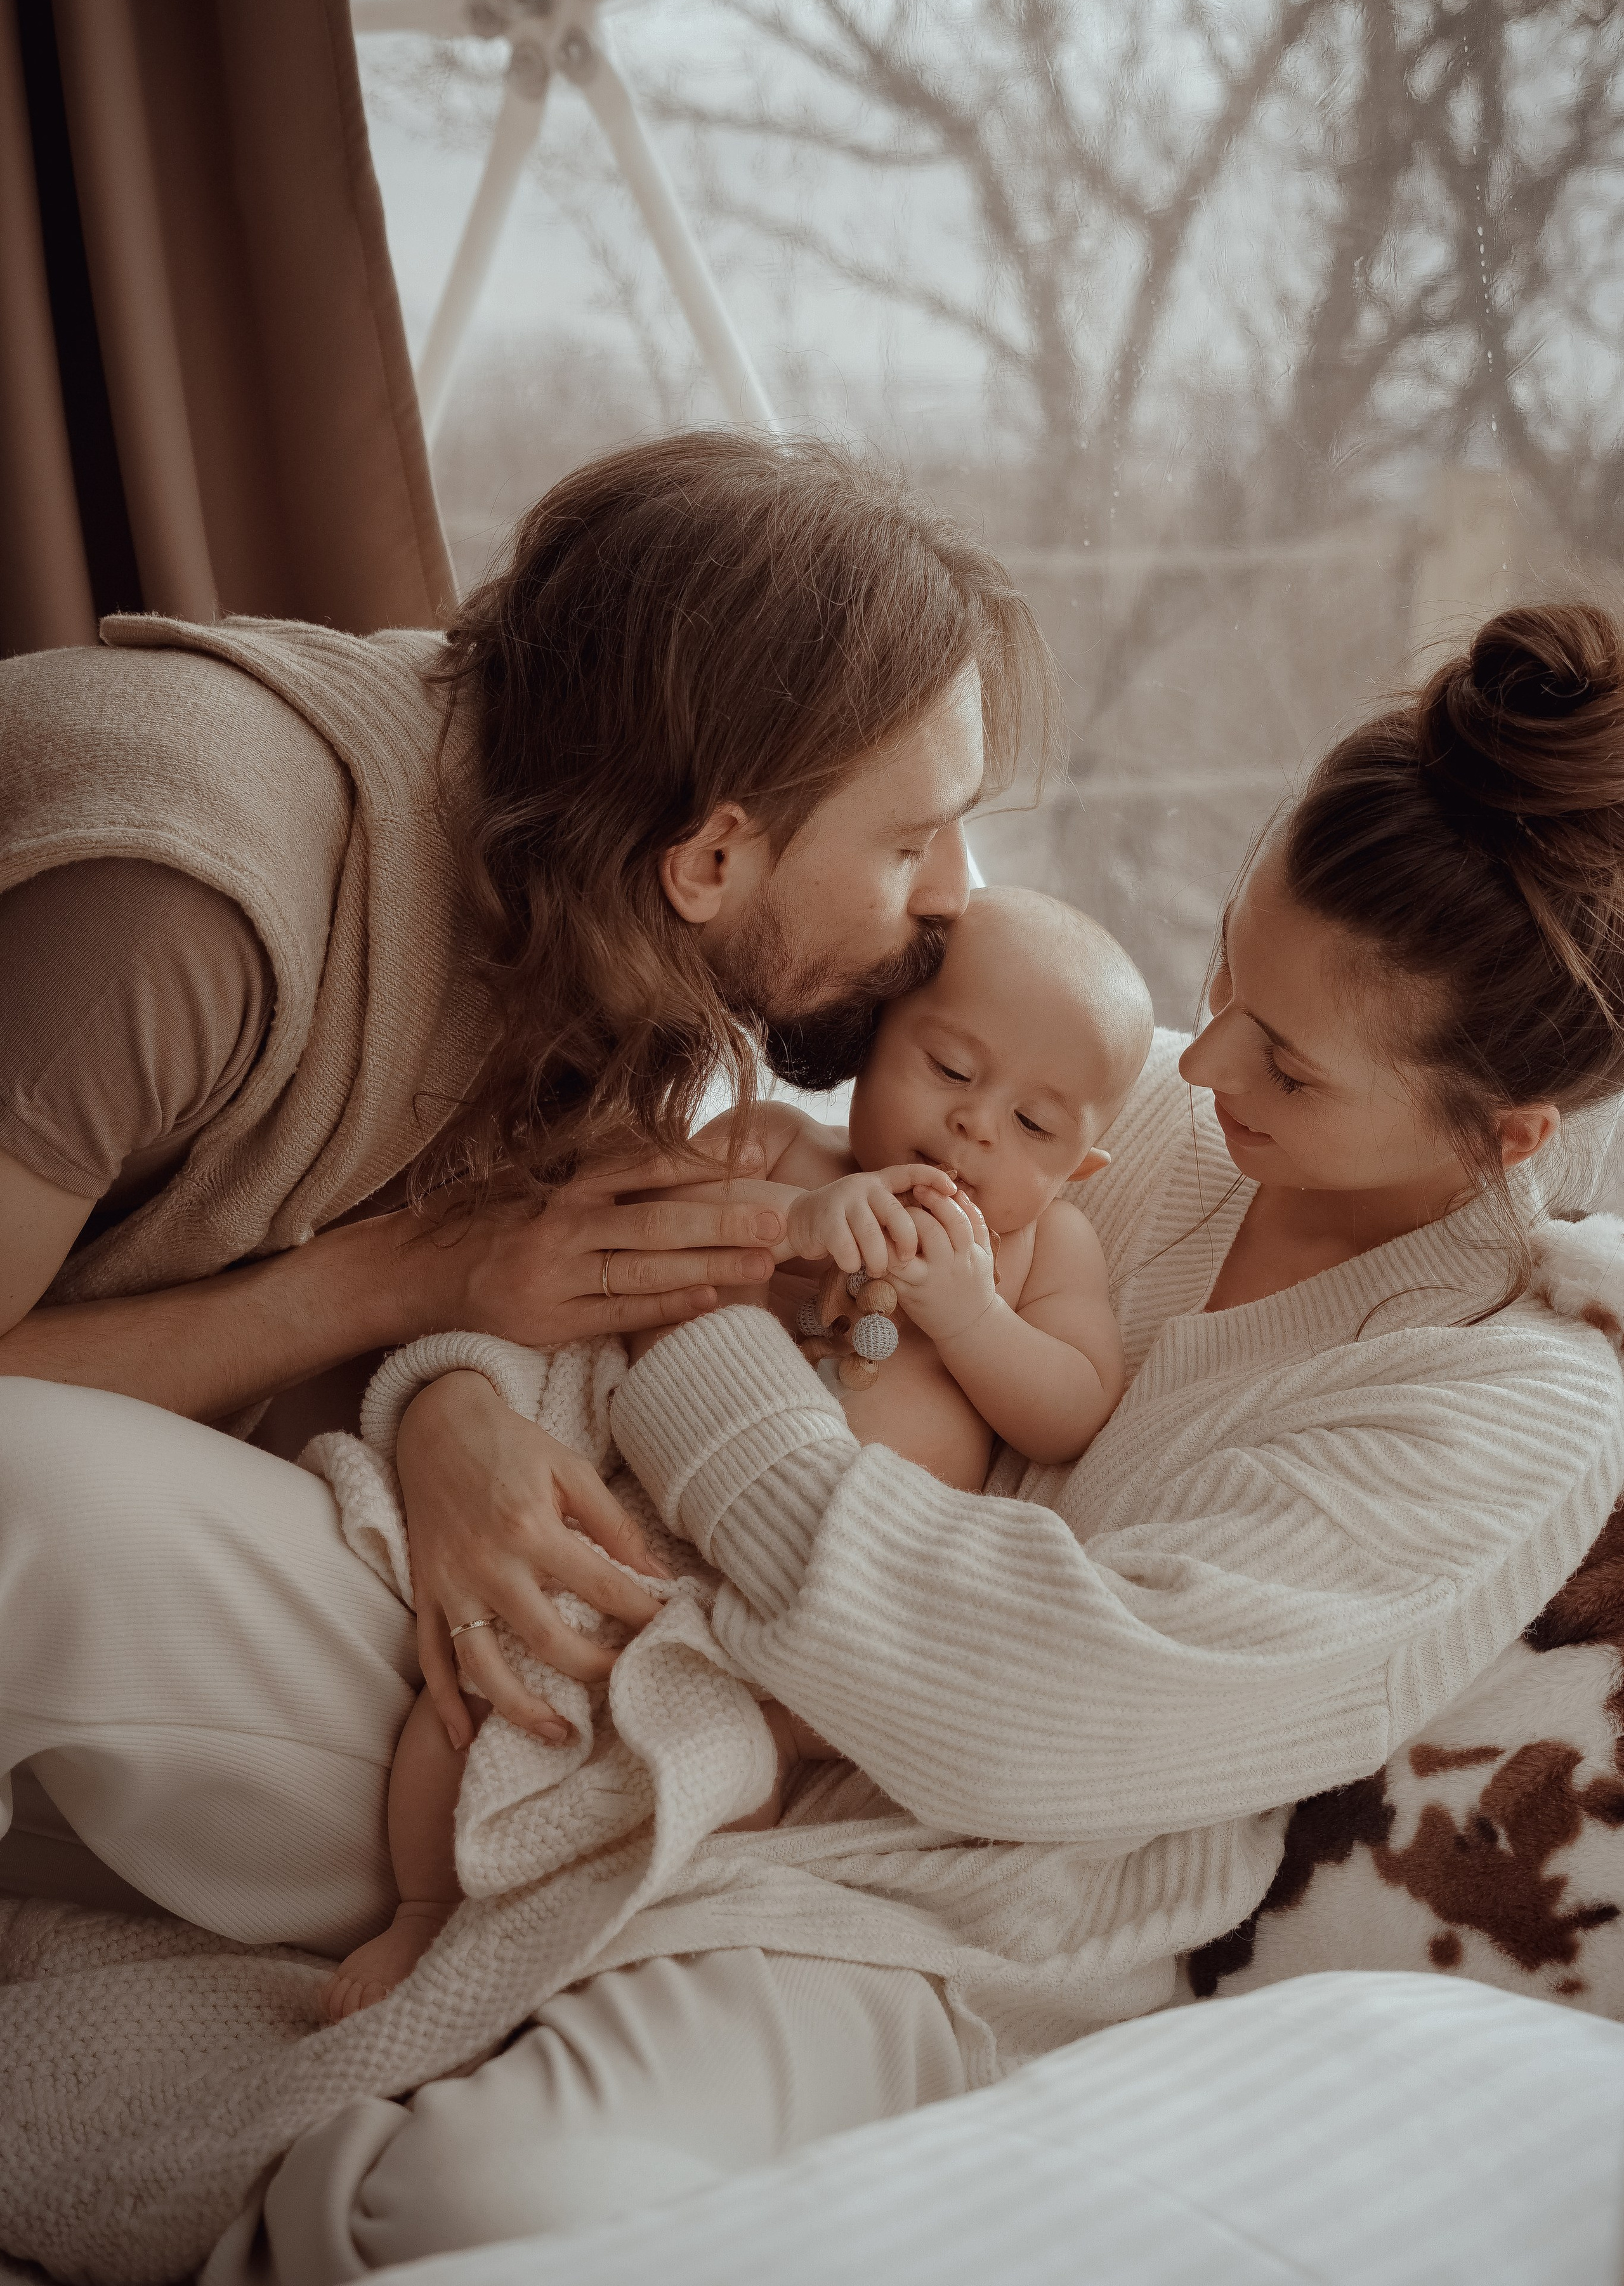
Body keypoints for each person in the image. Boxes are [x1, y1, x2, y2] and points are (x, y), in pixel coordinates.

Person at [201, 600, 1624, 2282]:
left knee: (434, 2215)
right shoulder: (1137, 1106)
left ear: (1509, 1134)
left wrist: (695, 1332)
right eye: (1231, 967)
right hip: (614, 1655)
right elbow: (674, 1200)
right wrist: (453, 1411)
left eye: (1290, 1066)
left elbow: (1030, 1717)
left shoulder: (1505, 1406)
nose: (1208, 1056)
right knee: (44, 1515)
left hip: (937, 1927)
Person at [0, 429, 1054, 1948]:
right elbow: (400, 1256)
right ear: (711, 858)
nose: (955, 891)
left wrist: (447, 1402)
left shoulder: (575, 859)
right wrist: (391, 1291)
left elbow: (477, 1240)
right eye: (908, 839)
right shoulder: (184, 921)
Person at [318, 886, 1153, 2023]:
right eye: (951, 1070)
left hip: (800, 1606)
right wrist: (797, 1220)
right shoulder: (772, 1146)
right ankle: (420, 1911)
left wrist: (970, 1319)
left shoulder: (1045, 1246)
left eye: (1036, 1127)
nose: (976, 1128)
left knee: (729, 1779)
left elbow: (1075, 1405)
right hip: (635, 1524)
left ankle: (586, 1958)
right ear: (874, 1040)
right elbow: (631, 1228)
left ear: (1081, 1170)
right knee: (469, 1702)